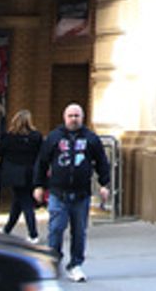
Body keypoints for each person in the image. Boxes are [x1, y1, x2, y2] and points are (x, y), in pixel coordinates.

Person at [33, 103, 112, 283]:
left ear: (82, 118)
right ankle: (53, 262)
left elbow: (101, 162)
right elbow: (42, 162)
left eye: (77, 115)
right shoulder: (54, 137)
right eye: (70, 115)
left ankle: (75, 265)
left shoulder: (91, 138)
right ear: (64, 117)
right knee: (56, 229)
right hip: (58, 193)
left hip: (81, 194)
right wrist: (39, 185)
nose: (74, 119)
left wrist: (104, 184)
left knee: (79, 231)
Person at [0, 109, 43, 242]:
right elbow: (41, 153)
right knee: (18, 202)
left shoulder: (9, 136)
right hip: (30, 173)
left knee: (25, 203)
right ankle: (7, 229)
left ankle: (33, 234)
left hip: (13, 173)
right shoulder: (36, 136)